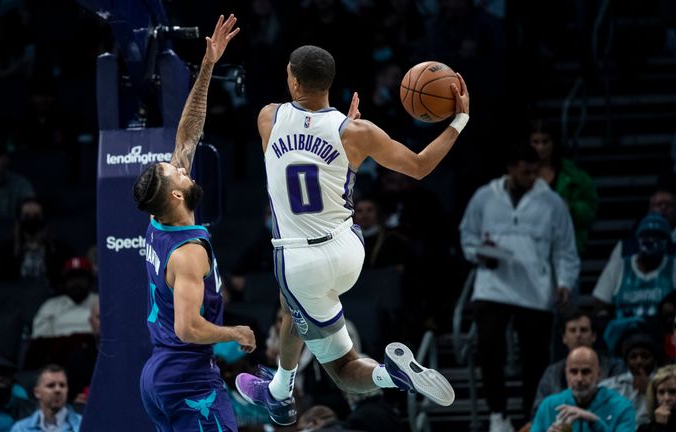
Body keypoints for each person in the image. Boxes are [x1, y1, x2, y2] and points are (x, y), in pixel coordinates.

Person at [235, 44, 468, 425]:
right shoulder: (356, 132)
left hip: (300, 259)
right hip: (349, 251)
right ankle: (279, 389)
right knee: (292, 306)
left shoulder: (268, 117)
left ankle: (382, 376)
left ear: (292, 80)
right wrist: (459, 120)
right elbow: (421, 166)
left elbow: (290, 154)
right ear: (330, 82)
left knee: (341, 367)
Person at [131, 14, 255, 432]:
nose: (185, 168)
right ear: (177, 196)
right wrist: (234, 332)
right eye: (178, 173)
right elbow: (187, 328)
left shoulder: (160, 213)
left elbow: (188, 135)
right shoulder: (186, 254)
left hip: (159, 374)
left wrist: (207, 66)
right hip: (186, 377)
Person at [459, 143, 580, 432]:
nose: (531, 177)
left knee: (534, 358)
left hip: (535, 290)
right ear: (511, 168)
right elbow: (468, 235)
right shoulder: (484, 197)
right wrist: (478, 253)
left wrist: (564, 283)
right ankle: (497, 413)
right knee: (489, 349)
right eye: (525, 171)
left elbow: (565, 249)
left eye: (535, 171)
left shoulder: (552, 202)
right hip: (492, 287)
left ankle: (531, 416)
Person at [531, 310, 627, 415]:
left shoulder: (615, 367)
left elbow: (619, 406)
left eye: (584, 330)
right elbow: (538, 412)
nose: (578, 335)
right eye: (572, 330)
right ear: (564, 338)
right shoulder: (552, 373)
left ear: (593, 336)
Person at [529, 119, 598, 255]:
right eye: (536, 142)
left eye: (545, 142)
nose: (540, 148)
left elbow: (591, 211)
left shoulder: (575, 176)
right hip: (529, 244)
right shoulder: (520, 175)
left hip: (562, 247)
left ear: (554, 143)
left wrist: (571, 208)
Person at [531, 347, 636, 432]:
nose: (579, 379)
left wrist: (594, 421)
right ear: (566, 374)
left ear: (598, 374)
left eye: (586, 372)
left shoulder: (621, 407)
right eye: (573, 372)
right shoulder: (548, 406)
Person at [593, 213, 675, 321]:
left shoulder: (673, 265)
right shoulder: (621, 264)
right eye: (647, 235)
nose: (653, 241)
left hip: (661, 332)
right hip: (624, 331)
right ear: (638, 239)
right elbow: (600, 302)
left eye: (659, 236)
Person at [600, 331, 660, 426]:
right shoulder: (609, 386)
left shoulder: (667, 383)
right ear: (626, 361)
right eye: (633, 357)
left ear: (655, 359)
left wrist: (650, 391)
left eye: (645, 356)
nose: (639, 361)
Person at [31, 257, 98, 338]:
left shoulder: (101, 302)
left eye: (81, 276)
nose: (76, 281)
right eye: (72, 277)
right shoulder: (50, 306)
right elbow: (39, 340)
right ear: (65, 281)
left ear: (90, 280)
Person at [11, 365, 82, 432]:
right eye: (51, 385)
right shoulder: (20, 429)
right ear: (37, 392)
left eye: (62, 385)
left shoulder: (83, 425)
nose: (58, 390)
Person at [638, 364, 676, 431]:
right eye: (661, 392)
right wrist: (659, 427)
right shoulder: (644, 429)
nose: (666, 398)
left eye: (673, 392)